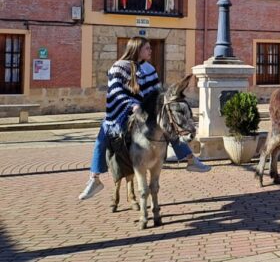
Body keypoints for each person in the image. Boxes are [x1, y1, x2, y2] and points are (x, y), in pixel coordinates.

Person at [79, 37, 210, 201]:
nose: (150, 50)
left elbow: (155, 91)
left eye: (150, 48)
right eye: (147, 48)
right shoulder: (118, 67)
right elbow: (115, 92)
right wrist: (132, 105)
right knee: (102, 137)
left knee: (170, 127)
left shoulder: (149, 69)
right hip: (122, 112)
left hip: (146, 111)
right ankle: (94, 179)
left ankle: (190, 159)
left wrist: (164, 102)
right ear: (137, 49)